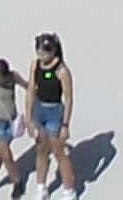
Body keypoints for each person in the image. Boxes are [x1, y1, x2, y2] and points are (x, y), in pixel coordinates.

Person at [28, 33, 78, 193]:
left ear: (53, 51)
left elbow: (69, 98)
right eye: (38, 52)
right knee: (41, 149)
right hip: (39, 110)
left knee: (58, 152)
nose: (40, 56)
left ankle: (69, 190)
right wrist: (29, 118)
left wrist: (65, 124)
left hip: (55, 112)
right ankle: (41, 187)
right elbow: (30, 90)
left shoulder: (62, 71)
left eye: (43, 52)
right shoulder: (35, 65)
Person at [0, 56, 33, 195]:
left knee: (0, 154)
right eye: (1, 77)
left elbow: (27, 86)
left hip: (11, 123)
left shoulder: (13, 77)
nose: (4, 79)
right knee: (6, 155)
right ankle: (17, 181)